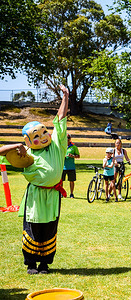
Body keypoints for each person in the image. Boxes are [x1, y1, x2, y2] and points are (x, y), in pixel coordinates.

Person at [0, 84, 68, 275]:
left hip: (53, 195)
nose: (43, 137)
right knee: (33, 227)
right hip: (35, 196)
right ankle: (31, 263)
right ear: (28, 141)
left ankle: (45, 264)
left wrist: (65, 97)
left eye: (44, 132)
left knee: (49, 228)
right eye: (36, 136)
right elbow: (1, 152)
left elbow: (60, 120)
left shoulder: (57, 145)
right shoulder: (26, 154)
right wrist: (17, 146)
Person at [62, 133, 80, 198]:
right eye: (66, 138)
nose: (67, 139)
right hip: (62, 167)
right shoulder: (61, 146)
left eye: (68, 138)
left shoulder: (74, 147)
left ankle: (71, 193)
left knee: (71, 181)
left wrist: (73, 156)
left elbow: (78, 156)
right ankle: (61, 193)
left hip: (71, 167)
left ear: (70, 139)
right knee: (61, 181)